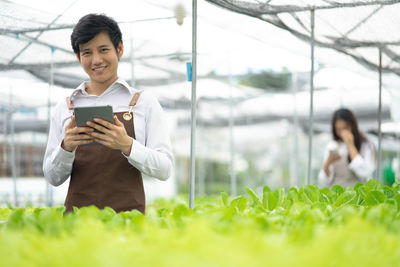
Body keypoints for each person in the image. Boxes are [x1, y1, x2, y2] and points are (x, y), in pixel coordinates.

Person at [42, 14, 173, 214]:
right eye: (87, 53)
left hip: (129, 223)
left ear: (119, 49)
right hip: (77, 225)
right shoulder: (66, 107)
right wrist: (66, 147)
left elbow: (164, 169)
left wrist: (127, 145)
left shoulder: (143, 102)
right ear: (78, 57)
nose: (96, 60)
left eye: (103, 50)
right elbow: (53, 178)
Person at [318, 108, 375, 187]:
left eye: (345, 128)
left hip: (357, 196)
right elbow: (324, 180)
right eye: (338, 129)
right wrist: (328, 162)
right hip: (337, 196)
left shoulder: (365, 145)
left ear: (353, 126)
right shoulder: (332, 145)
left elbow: (365, 172)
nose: (342, 133)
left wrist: (351, 145)